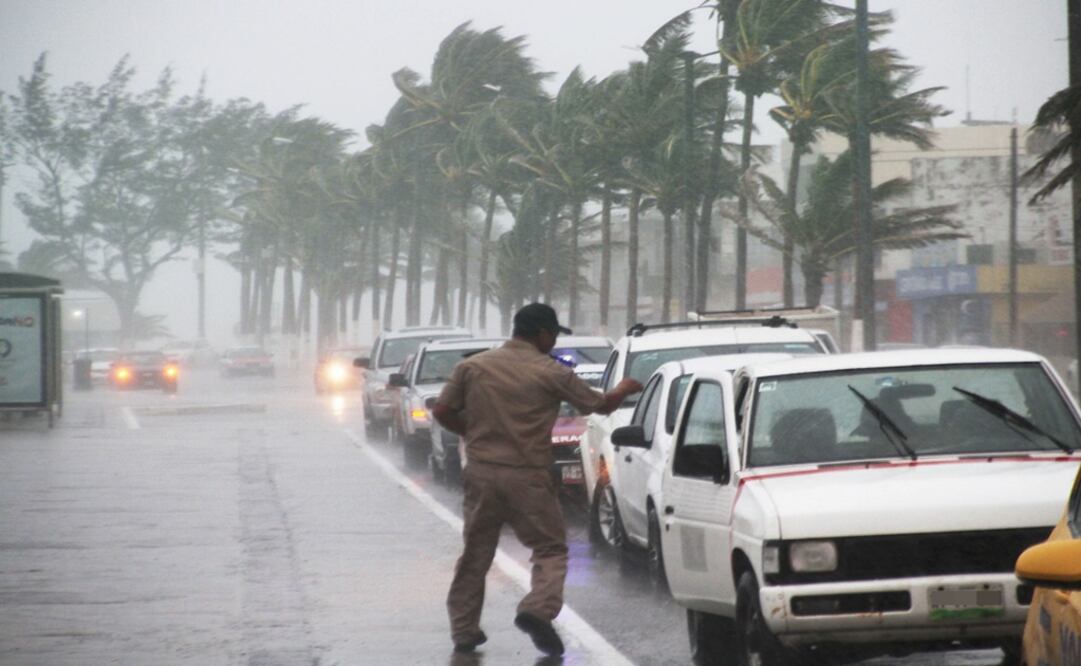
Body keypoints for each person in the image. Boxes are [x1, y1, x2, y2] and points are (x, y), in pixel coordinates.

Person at [432, 303, 643, 657]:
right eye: (554, 334)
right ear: (543, 333)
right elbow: (600, 405)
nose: (555, 341)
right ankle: (537, 609)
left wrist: (472, 433)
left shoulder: (472, 366)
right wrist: (624, 388)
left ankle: (464, 630)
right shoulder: (551, 372)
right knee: (549, 548)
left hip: (482, 472)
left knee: (475, 554)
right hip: (527, 474)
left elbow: (441, 411)